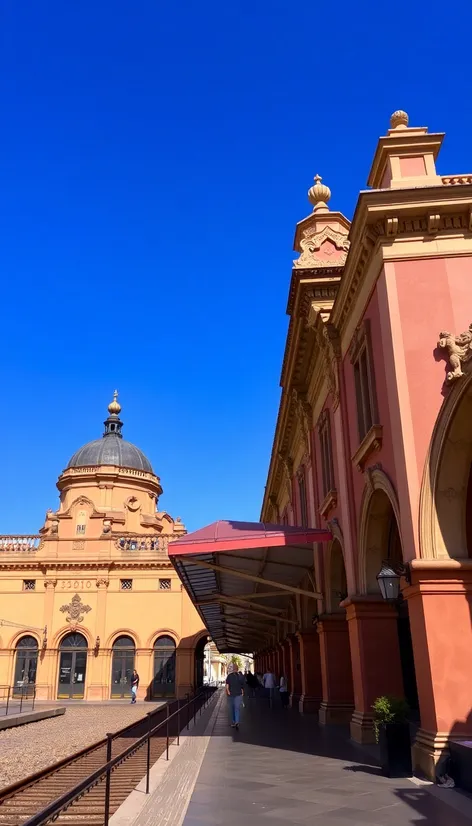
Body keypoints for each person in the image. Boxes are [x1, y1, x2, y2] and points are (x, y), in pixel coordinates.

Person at [225, 664, 244, 729]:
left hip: (231, 694)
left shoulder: (229, 676)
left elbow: (227, 685)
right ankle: (237, 722)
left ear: (233, 669)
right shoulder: (240, 676)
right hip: (238, 694)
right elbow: (242, 686)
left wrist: (228, 691)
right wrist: (242, 692)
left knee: (233, 708)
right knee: (237, 708)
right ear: (237, 669)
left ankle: (234, 722)